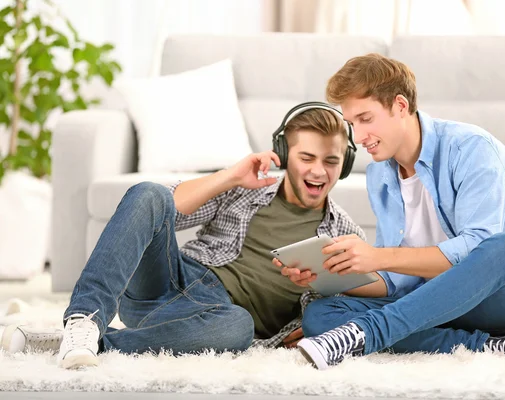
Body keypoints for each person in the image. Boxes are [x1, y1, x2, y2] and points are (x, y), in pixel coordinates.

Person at [0, 102, 374, 369]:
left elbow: (371, 295)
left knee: (238, 328)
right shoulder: (248, 189)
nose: (318, 171)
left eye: (331, 161)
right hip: (171, 282)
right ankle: (84, 319)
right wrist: (231, 174)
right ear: (284, 153)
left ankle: (80, 344)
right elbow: (164, 209)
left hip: (215, 321)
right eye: (306, 157)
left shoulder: (344, 235)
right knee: (149, 192)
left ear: (346, 165)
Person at [278, 54, 505, 370]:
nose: (358, 137)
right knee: (320, 316)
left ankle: (368, 332)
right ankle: (490, 346)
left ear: (400, 106)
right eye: (352, 124)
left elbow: (477, 247)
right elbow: (398, 281)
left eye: (366, 119)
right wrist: (331, 276)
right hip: (436, 304)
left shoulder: (472, 148)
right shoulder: (380, 173)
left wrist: (379, 257)